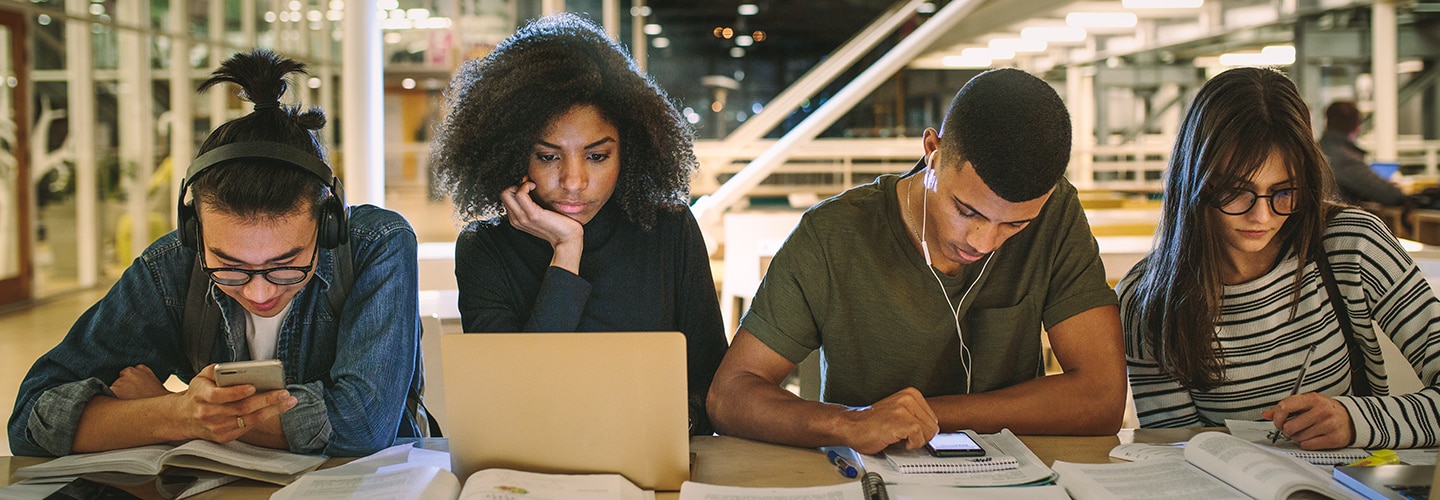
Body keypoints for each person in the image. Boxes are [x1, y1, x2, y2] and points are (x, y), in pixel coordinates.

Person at [8, 49, 425, 456]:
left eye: (286, 265)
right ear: (193, 231)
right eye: (229, 266)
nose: (260, 294)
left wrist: (164, 409)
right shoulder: (171, 265)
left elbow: (364, 425)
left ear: (328, 223)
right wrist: (177, 414)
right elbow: (32, 418)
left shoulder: (376, 245)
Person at [705, 68, 1127, 454]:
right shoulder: (833, 235)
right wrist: (849, 423)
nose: (984, 241)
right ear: (933, 151)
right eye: (966, 210)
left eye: (1014, 226)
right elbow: (730, 396)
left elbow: (1102, 398)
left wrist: (928, 416)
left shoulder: (1057, 215)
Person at [428, 13, 728, 435]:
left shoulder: (668, 230)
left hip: (653, 460)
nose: (574, 182)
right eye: (549, 156)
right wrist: (566, 251)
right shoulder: (484, 250)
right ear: (513, 154)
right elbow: (515, 400)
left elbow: (713, 387)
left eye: (597, 155)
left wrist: (662, 424)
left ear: (629, 151)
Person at [1119, 67, 1440, 450]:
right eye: (1236, 191)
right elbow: (1177, 450)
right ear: (1196, 182)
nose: (1263, 216)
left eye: (1283, 192)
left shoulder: (1352, 245)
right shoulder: (1149, 298)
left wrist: (1357, 421)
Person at [1320, 101, 1407, 207]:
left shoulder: (1316, 149)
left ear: (1327, 123)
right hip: (1340, 220)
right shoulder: (1345, 159)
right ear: (1357, 128)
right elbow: (1388, 194)